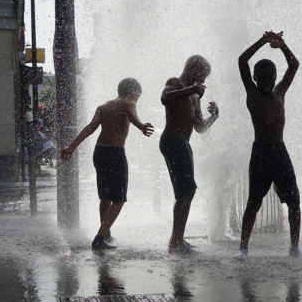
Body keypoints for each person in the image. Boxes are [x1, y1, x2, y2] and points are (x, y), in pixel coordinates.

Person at [60, 78, 154, 250]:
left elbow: (90, 127)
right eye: (138, 96)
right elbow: (133, 117)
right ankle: (99, 238)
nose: (137, 99)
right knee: (119, 199)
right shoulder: (128, 102)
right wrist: (141, 126)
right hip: (115, 152)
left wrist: (71, 147)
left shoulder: (103, 106)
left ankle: (106, 233)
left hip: (100, 152)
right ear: (133, 92)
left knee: (105, 198)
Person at [236, 31, 301, 260]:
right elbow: (242, 60)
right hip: (261, 152)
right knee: (254, 201)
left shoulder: (280, 93)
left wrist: (282, 45)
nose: (266, 81)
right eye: (261, 77)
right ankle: (243, 248)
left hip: (279, 151)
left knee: (293, 200)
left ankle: (294, 248)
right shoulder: (252, 94)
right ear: (254, 78)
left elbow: (294, 65)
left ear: (275, 78)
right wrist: (262, 41)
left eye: (269, 77)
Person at [160, 55, 219, 254]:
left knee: (186, 191)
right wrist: (192, 89)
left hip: (183, 143)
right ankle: (176, 242)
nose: (202, 82)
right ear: (192, 69)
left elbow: (200, 128)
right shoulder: (174, 83)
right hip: (173, 141)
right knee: (187, 190)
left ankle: (178, 240)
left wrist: (214, 117)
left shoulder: (194, 97)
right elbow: (165, 98)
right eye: (201, 76)